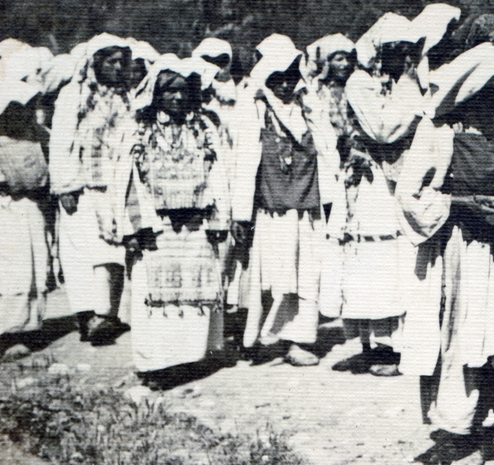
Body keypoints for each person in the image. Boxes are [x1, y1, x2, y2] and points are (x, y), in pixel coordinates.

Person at [398, 44, 494, 465]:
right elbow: (408, 195)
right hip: (461, 249)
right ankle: (460, 431)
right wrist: (460, 202)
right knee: (465, 334)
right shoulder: (440, 129)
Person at [109, 56, 232, 386]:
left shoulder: (203, 126)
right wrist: (133, 226)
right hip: (157, 226)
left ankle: (187, 360)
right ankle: (155, 365)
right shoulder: (140, 128)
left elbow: (218, 172)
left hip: (196, 224)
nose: (177, 98)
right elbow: (126, 177)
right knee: (156, 295)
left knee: (192, 293)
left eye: (183, 91)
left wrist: (220, 217)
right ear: (156, 94)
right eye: (169, 91)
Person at [232, 34, 343, 366]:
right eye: (276, 78)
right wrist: (240, 213)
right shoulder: (254, 108)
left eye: (290, 77)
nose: (284, 85)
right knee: (273, 276)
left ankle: (298, 340)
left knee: (307, 276)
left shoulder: (309, 107)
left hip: (308, 207)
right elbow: (243, 161)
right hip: (272, 210)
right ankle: (259, 339)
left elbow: (328, 150)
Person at [332, 17, 421, 376]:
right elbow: (383, 130)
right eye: (394, 50)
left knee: (400, 256)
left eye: (406, 50)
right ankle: (379, 346)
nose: (402, 57)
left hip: (398, 178)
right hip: (373, 182)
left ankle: (399, 344)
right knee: (376, 255)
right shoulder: (361, 82)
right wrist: (414, 101)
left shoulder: (401, 81)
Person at [0, 59, 57, 358]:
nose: (24, 112)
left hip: (32, 208)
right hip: (4, 211)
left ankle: (29, 326)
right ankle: (3, 334)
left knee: (34, 267)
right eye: (19, 106)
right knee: (8, 272)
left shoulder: (37, 135)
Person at [49, 34, 135, 345]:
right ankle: (87, 316)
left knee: (111, 252)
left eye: (120, 62)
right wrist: (65, 186)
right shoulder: (74, 95)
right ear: (95, 63)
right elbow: (60, 142)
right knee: (80, 255)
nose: (116, 67)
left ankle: (106, 315)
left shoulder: (125, 96)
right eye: (110, 61)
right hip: (81, 188)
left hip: (112, 186)